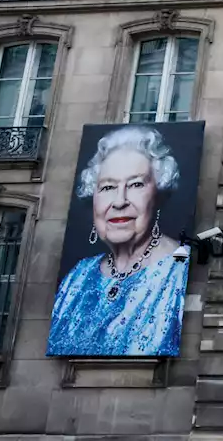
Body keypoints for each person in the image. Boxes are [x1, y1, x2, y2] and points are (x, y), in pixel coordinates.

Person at [48, 126, 191, 356]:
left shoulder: (180, 268)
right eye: (108, 187)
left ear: (158, 193)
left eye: (136, 184)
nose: (119, 201)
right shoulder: (77, 277)